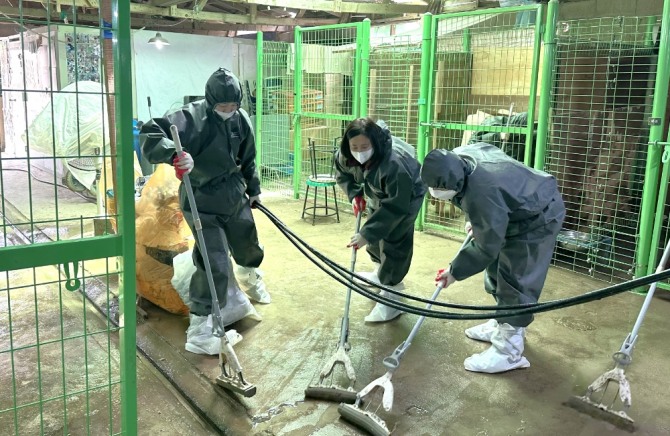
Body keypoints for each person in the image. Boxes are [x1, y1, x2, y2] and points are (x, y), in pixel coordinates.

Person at [140, 68, 270, 355]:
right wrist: (174, 154)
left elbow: (248, 156)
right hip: (202, 195)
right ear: (211, 102)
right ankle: (200, 328)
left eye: (233, 106)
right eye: (222, 107)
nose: (228, 111)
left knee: (247, 241)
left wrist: (254, 189)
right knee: (214, 261)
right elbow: (150, 132)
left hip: (233, 192)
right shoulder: (189, 117)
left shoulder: (241, 119)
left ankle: (250, 276)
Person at [420, 142, 565, 373]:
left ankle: (509, 352)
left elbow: (487, 248)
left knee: (516, 279)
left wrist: (454, 271)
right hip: (514, 204)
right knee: (496, 271)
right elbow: (473, 198)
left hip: (537, 215)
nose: (436, 192)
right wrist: (476, 221)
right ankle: (502, 323)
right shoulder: (459, 159)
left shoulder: (484, 191)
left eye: (441, 188)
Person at [334, 117, 427, 323]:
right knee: (375, 236)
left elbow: (395, 207)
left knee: (394, 237)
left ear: (374, 143)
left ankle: (392, 295)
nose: (359, 151)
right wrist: (354, 194)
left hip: (407, 193)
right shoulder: (346, 154)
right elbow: (343, 174)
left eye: (365, 146)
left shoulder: (394, 164)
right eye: (354, 146)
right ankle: (380, 272)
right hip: (377, 190)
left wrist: (366, 234)